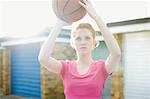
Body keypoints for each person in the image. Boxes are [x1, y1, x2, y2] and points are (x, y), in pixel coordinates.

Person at [38, 0, 121, 99]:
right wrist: (59, 24)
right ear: (73, 43)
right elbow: (43, 58)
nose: (83, 42)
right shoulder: (66, 68)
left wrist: (96, 17)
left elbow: (116, 54)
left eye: (87, 38)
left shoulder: (101, 68)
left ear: (94, 42)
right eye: (78, 38)